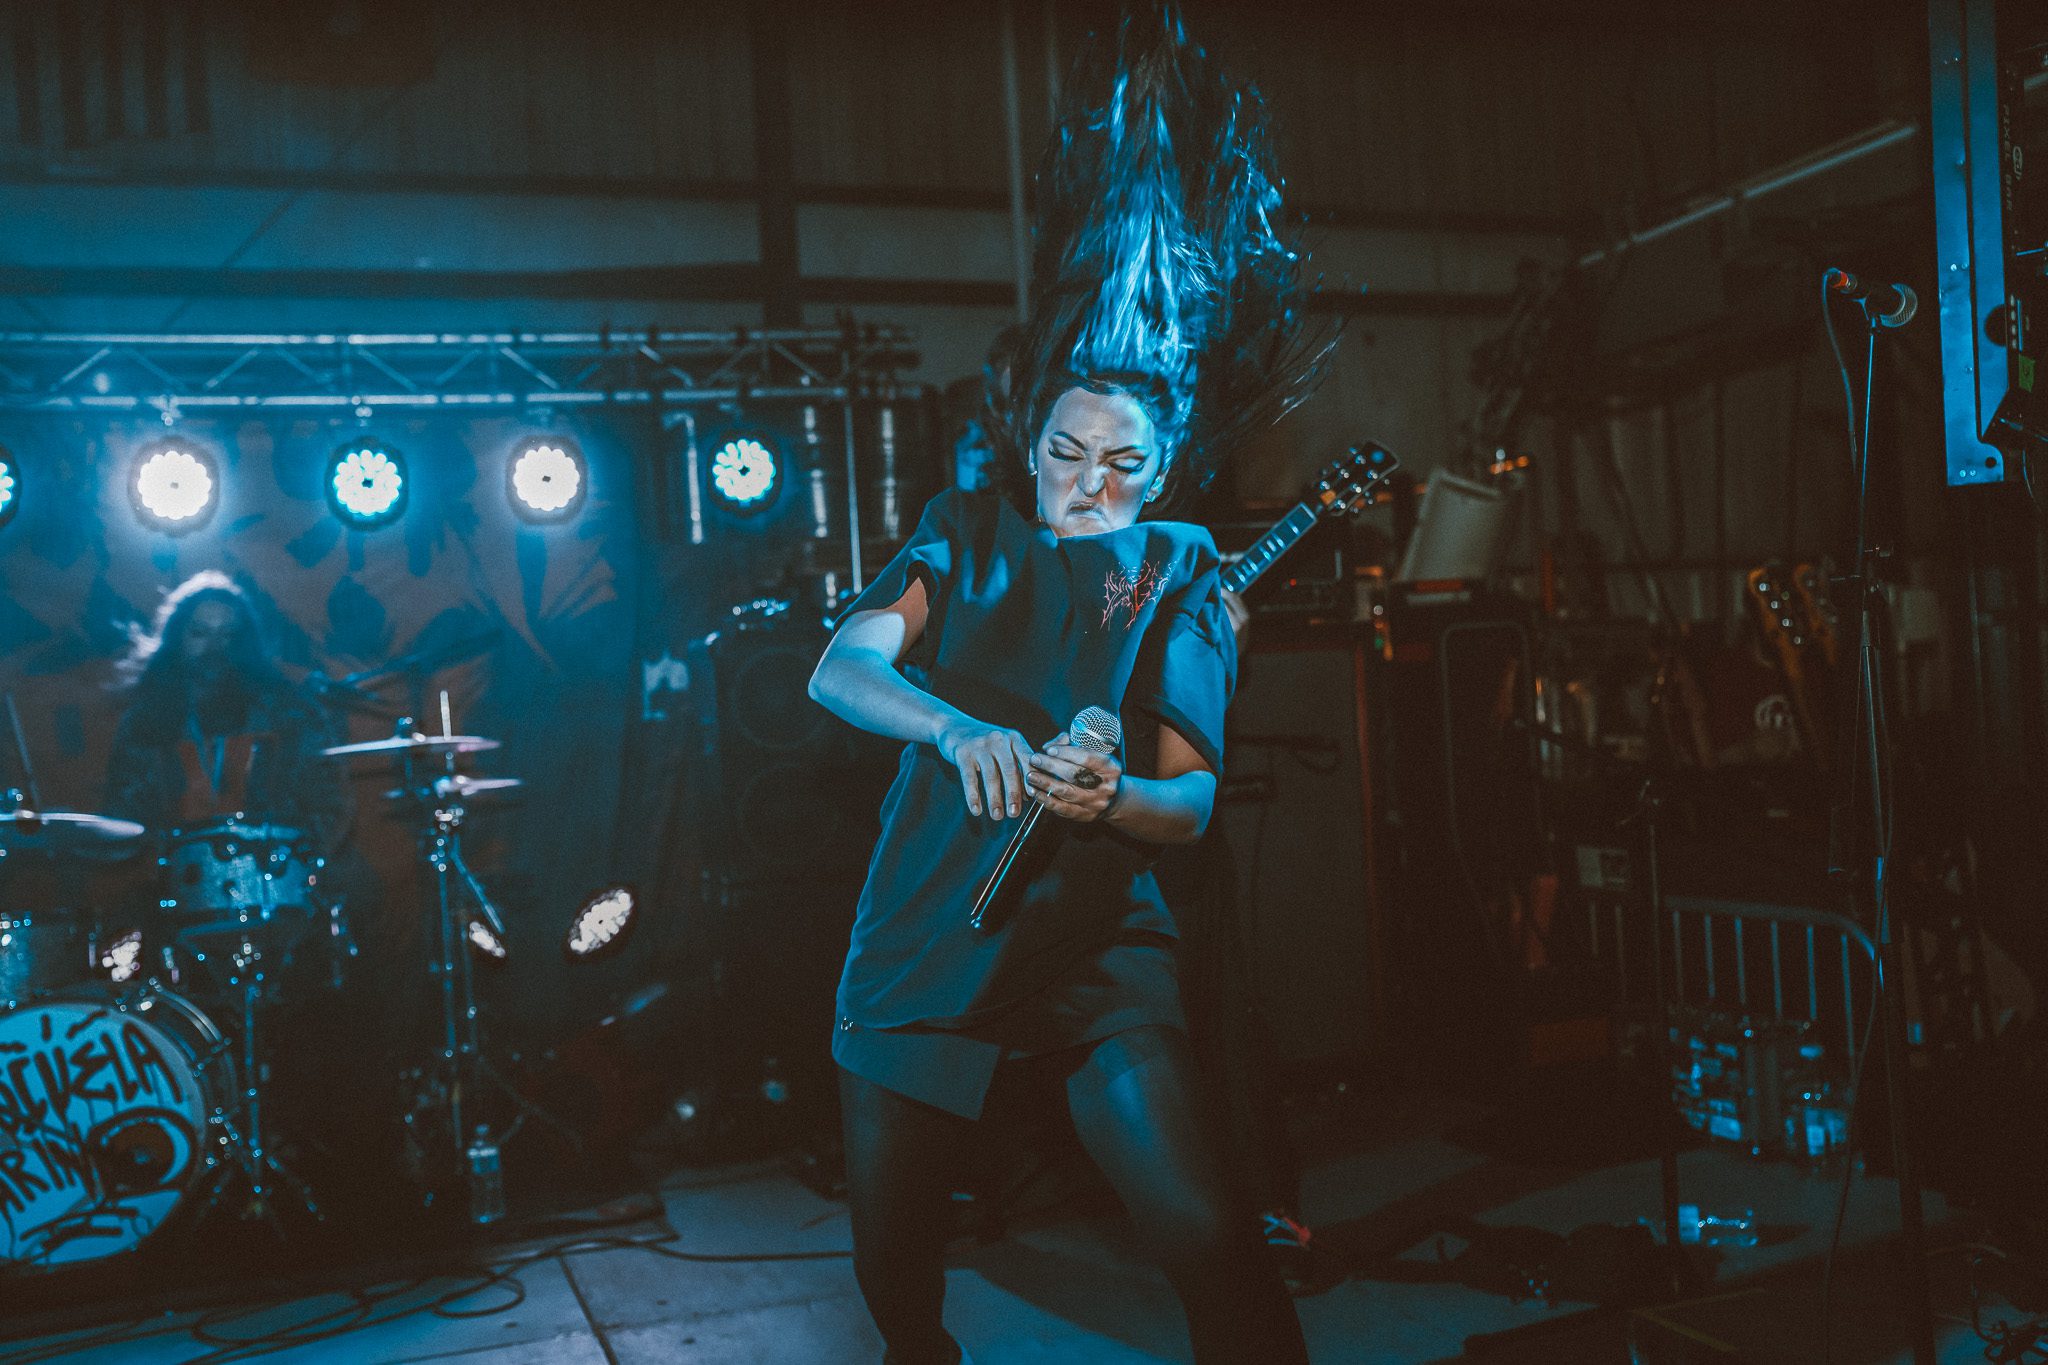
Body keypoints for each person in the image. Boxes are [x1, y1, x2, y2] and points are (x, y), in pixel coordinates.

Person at [807, 10, 1329, 1361]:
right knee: (897, 1282)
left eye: (1121, 465)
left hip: (1093, 943)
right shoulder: (963, 532)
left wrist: (1110, 802)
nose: (1087, 485)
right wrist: (954, 728)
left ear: (1162, 474)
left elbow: (1189, 806)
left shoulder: (1183, 570)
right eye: (1064, 452)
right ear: (1027, 442)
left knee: (1207, 1237)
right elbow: (841, 666)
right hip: (925, 937)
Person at [106, 570, 347, 852]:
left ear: (244, 642)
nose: (214, 647)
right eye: (199, 633)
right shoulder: (144, 722)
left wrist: (296, 856)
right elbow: (125, 818)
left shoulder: (288, 714)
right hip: (179, 872)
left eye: (228, 634)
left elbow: (331, 804)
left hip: (276, 869)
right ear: (177, 639)